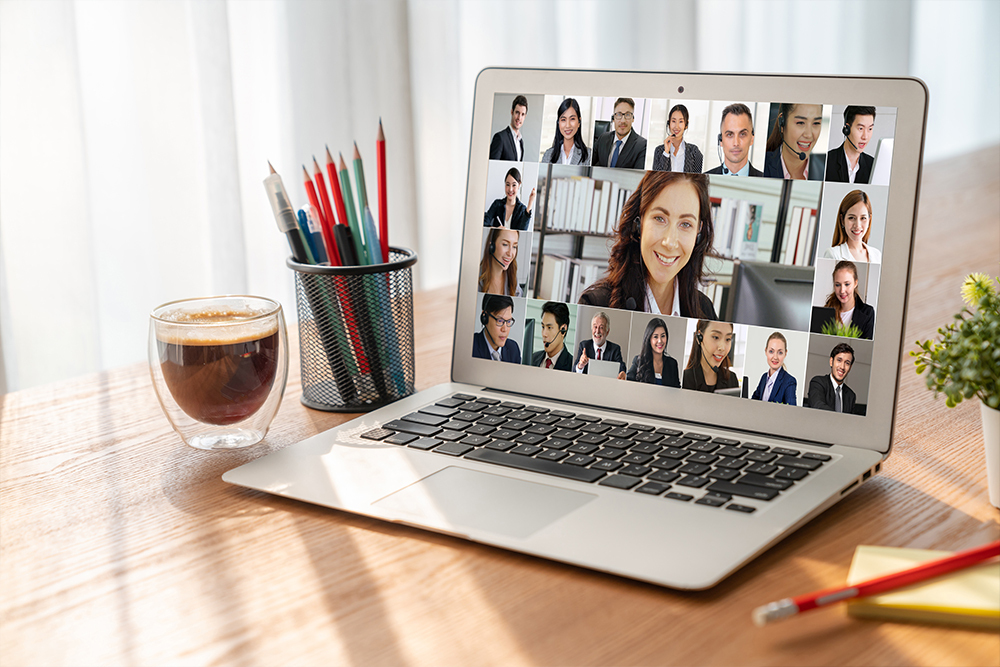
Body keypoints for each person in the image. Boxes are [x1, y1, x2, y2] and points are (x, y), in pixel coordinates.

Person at [579, 171, 717, 318]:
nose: (669, 243)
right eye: (659, 218)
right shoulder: (596, 305)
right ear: (639, 223)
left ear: (699, 232)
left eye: (685, 224)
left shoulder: (705, 311)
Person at [762, 103, 826, 180]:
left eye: (816, 123)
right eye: (800, 123)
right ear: (782, 123)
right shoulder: (761, 166)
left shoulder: (825, 171)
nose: (809, 135)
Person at [824, 189, 882, 263]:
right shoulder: (833, 255)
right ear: (842, 220)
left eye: (863, 218)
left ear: (869, 220)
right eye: (851, 218)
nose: (857, 225)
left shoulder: (877, 255)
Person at [821, 260, 875, 339]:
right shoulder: (826, 311)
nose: (842, 290)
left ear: (855, 283)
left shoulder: (867, 312)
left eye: (847, 284)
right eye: (838, 285)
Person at [705, 103, 762, 177]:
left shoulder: (768, 181)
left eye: (742, 134)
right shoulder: (704, 178)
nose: (736, 143)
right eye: (729, 134)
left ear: (752, 139)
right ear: (721, 140)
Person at [683, 320, 739, 393]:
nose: (722, 348)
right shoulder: (684, 379)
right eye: (716, 337)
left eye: (728, 339)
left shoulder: (732, 379)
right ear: (699, 338)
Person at [591, 97, 647, 170]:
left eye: (627, 115)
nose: (622, 120)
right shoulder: (602, 138)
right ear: (613, 118)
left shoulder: (642, 146)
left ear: (633, 118)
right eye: (619, 115)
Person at [826, 106, 876, 184]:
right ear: (847, 129)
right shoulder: (826, 161)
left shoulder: (873, 165)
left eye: (870, 129)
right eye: (860, 128)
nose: (865, 137)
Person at [626, 318, 680, 387]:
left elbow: (677, 391)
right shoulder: (639, 361)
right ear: (649, 339)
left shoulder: (672, 364)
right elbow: (628, 382)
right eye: (655, 337)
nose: (660, 341)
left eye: (663, 336)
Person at [652, 104, 704, 173]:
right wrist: (666, 152)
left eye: (681, 121)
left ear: (686, 125)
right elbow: (656, 178)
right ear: (669, 123)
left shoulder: (694, 152)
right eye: (673, 121)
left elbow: (697, 180)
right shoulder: (659, 151)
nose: (676, 126)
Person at [750, 332, 797, 405]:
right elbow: (752, 402)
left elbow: (791, 411)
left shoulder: (789, 381)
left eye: (780, 352)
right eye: (771, 351)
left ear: (785, 353)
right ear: (766, 351)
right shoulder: (764, 377)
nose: (775, 357)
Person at [807, 342, 856, 413]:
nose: (842, 367)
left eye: (847, 363)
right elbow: (818, 406)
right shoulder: (818, 383)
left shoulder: (851, 395)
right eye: (839, 360)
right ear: (831, 361)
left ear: (850, 368)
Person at [574, 311, 627, 377]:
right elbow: (574, 371)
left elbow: (621, 367)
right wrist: (580, 366)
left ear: (607, 331)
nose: (597, 331)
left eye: (601, 327)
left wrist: (622, 372)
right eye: (595, 327)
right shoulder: (584, 346)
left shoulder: (615, 349)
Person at [472, 295, 521, 363]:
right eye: (500, 321)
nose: (505, 329)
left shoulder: (513, 349)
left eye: (509, 321)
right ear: (484, 318)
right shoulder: (470, 346)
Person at [541, 98, 590, 166]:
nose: (567, 125)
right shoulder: (548, 155)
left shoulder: (589, 156)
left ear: (579, 122)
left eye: (572, 119)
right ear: (558, 123)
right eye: (563, 120)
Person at [478, 228, 522, 297]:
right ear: (492, 246)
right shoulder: (476, 279)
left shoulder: (513, 279)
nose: (510, 254)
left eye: (514, 246)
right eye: (505, 244)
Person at [532, 301, 573, 370]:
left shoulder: (572, 366)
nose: (544, 334)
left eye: (549, 328)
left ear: (563, 330)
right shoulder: (532, 358)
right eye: (543, 327)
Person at [489, 95, 528, 161]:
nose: (519, 118)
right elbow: (492, 167)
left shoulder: (520, 142)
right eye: (517, 113)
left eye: (522, 114)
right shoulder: (500, 138)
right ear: (512, 112)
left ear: (525, 117)